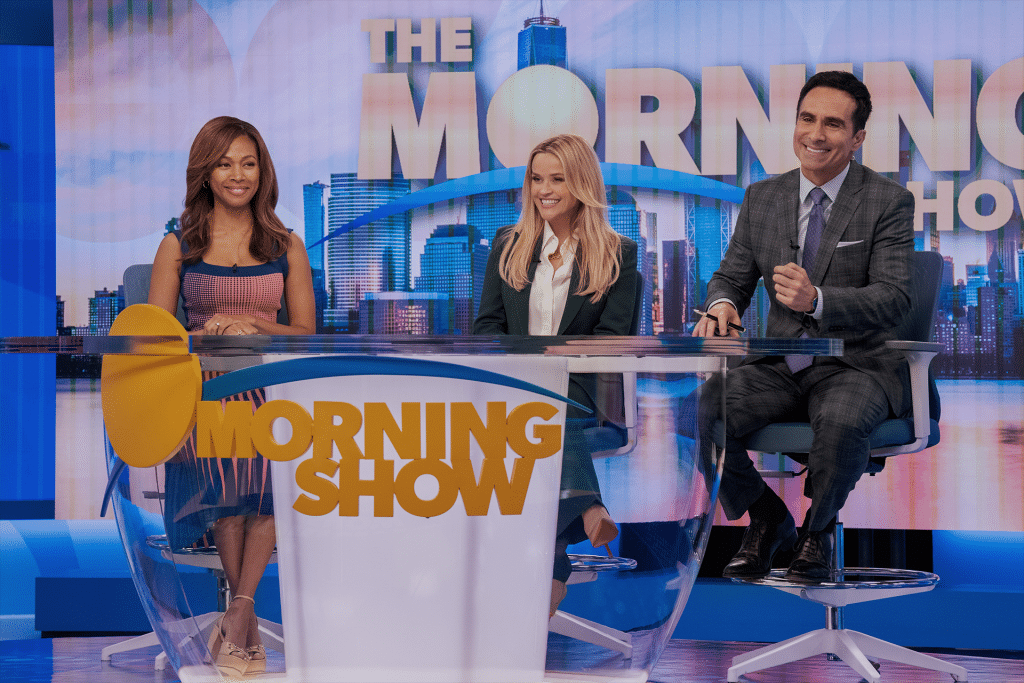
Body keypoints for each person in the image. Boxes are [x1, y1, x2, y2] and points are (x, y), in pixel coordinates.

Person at [692, 72, 915, 582]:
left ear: (857, 138)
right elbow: (732, 275)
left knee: (840, 422)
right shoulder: (764, 198)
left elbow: (895, 298)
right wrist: (723, 304)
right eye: (807, 119)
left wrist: (818, 300)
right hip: (778, 365)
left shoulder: (887, 202)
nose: (816, 134)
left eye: (833, 124)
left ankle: (817, 532)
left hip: (854, 365)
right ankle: (768, 518)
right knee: (704, 411)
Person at [149, 116, 315, 676]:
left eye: (248, 163)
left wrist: (251, 322)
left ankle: (236, 621)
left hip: (273, 395)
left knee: (267, 478)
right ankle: (243, 627)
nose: (238, 175)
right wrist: (206, 332)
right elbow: (154, 337)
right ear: (205, 172)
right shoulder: (178, 245)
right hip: (203, 397)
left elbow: (307, 334)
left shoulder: (286, 245)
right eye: (225, 163)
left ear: (262, 171)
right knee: (233, 474)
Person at [473, 133, 638, 616]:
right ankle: (585, 516)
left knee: (547, 412)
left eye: (557, 178)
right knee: (538, 410)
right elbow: (486, 327)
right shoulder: (509, 244)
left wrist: (551, 367)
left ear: (581, 183)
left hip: (585, 396)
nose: (544, 189)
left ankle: (553, 567)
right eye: (537, 178)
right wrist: (524, 368)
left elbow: (611, 341)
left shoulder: (618, 253)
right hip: (515, 389)